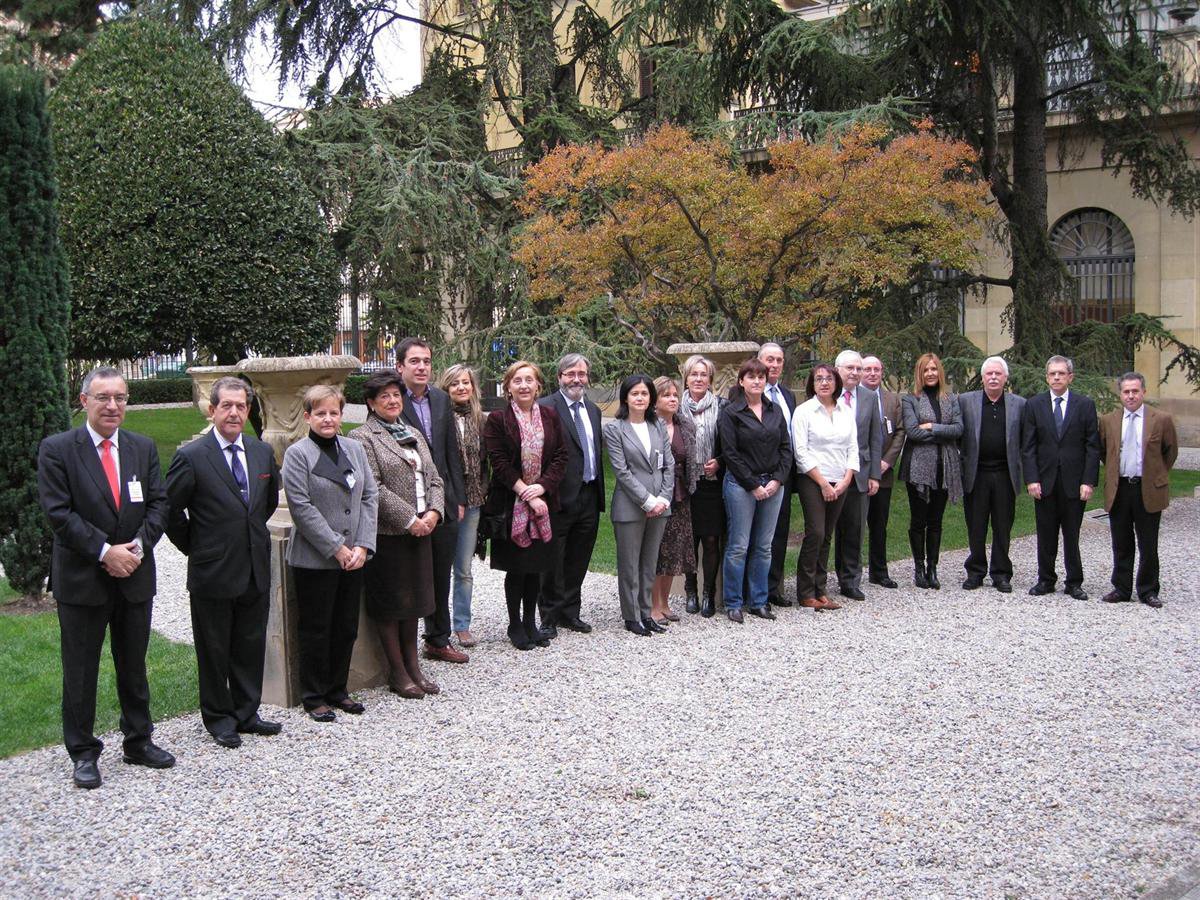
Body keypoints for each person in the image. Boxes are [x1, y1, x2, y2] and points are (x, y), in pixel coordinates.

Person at [36, 367, 175, 789]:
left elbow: (159, 503)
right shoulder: (58, 449)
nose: (113, 406)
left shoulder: (141, 447)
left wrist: (138, 548)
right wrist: (104, 551)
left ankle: (138, 740)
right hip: (83, 580)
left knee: (133, 664)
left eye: (120, 397)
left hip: (134, 575)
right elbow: (59, 513)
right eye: (103, 397)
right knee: (81, 670)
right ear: (84, 401)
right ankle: (83, 751)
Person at [165, 376, 282, 749]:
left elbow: (265, 504)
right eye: (227, 405)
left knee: (250, 642)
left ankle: (247, 712)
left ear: (248, 411)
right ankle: (219, 718)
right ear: (212, 409)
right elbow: (169, 511)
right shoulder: (192, 456)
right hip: (212, 570)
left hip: (254, 566)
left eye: (241, 406)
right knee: (214, 649)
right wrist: (196, 547)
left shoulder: (261, 452)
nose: (234, 412)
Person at [281, 386, 378, 721]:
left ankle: (338, 689)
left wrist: (362, 545)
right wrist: (337, 548)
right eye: (320, 413)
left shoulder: (354, 449)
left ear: (341, 415)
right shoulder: (298, 454)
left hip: (355, 557)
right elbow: (301, 507)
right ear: (307, 417)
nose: (328, 419)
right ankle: (314, 695)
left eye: (333, 413)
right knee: (316, 628)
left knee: (346, 627)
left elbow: (369, 497)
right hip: (316, 558)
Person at [348, 373, 445, 699]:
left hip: (422, 529)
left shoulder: (413, 433)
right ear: (371, 403)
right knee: (392, 603)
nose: (392, 401)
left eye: (395, 395)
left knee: (415, 601)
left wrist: (434, 512)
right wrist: (409, 519)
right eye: (384, 396)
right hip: (388, 533)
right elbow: (373, 486)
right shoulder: (362, 437)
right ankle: (398, 672)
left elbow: (434, 478)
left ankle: (414, 666)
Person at [483, 361, 568, 650]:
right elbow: (499, 463)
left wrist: (542, 487)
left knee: (536, 566)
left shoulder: (550, 416)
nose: (523, 385)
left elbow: (561, 456)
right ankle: (514, 624)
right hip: (512, 504)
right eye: (517, 380)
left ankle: (531, 622)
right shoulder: (498, 419)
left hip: (544, 504)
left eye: (529, 380)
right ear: (508, 387)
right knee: (517, 568)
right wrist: (527, 493)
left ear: (538, 386)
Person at [396, 338, 468, 664]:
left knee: (440, 574)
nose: (422, 367)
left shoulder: (440, 399)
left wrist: (457, 498)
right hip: (407, 502)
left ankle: (438, 639)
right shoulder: (392, 399)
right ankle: (402, 648)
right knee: (409, 577)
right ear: (400, 366)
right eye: (415, 361)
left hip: (444, 502)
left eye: (426, 361)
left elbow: (451, 450)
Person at [1021, 355, 1100, 600]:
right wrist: (1031, 479)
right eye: (1052, 373)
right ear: (1047, 377)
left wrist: (1088, 481)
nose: (1056, 377)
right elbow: (1028, 446)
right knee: (1046, 534)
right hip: (1044, 482)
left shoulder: (1085, 405)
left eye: (1061, 373)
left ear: (1070, 377)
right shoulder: (1034, 405)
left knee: (1072, 535)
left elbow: (1092, 446)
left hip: (1074, 483)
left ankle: (1074, 582)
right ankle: (1046, 580)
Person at [717, 358, 790, 623]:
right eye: (751, 377)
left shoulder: (775, 410)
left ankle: (759, 601)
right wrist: (753, 485)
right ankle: (733, 602)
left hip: (772, 485)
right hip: (741, 486)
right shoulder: (731, 413)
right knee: (739, 546)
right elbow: (730, 453)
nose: (757, 381)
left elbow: (786, 448)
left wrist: (777, 480)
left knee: (763, 547)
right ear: (741, 381)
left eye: (761, 377)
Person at [1098, 372, 1178, 608]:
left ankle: (1148, 590)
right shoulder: (1108, 421)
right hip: (1120, 488)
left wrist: (1156, 474)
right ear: (1120, 394)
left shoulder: (1161, 419)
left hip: (1148, 488)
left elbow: (1170, 452)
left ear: (1143, 392)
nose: (1131, 395)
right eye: (1126, 391)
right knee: (1121, 542)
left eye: (1135, 391)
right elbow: (1104, 452)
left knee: (1148, 544)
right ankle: (1121, 588)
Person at [538, 353, 604, 637]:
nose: (577, 379)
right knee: (553, 560)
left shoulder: (593, 410)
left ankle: (570, 612)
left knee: (579, 557)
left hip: (589, 494)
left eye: (581, 374)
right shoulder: (545, 408)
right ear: (559, 377)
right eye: (570, 374)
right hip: (558, 497)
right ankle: (549, 616)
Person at [605, 374, 674, 635]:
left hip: (660, 506)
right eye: (635, 393)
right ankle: (632, 616)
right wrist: (647, 501)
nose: (640, 398)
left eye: (644, 393)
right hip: (630, 507)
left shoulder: (658, 425)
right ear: (625, 397)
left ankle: (647, 613)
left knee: (649, 563)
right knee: (630, 564)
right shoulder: (614, 429)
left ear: (650, 398)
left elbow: (669, 464)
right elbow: (621, 471)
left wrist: (663, 498)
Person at [791, 363, 858, 611]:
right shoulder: (804, 412)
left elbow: (853, 448)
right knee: (816, 533)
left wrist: (846, 479)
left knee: (828, 535)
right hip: (812, 479)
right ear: (812, 384)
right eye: (819, 379)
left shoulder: (845, 411)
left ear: (836, 382)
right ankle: (805, 591)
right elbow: (801, 452)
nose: (824, 383)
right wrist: (823, 484)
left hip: (840, 480)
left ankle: (821, 589)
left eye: (829, 378)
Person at [959, 357, 1025, 593]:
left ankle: (1001, 573)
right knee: (976, 526)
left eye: (998, 374)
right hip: (976, 474)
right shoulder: (966, 401)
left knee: (1003, 526)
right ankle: (975, 571)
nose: (994, 377)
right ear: (982, 377)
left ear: (1005, 378)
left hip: (1005, 475)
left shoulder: (1019, 404)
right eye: (989, 374)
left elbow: (1025, 440)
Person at [899, 353, 963, 589]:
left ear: (940, 372)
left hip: (944, 468)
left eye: (934, 369)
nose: (930, 373)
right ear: (920, 373)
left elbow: (958, 429)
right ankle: (919, 569)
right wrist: (943, 432)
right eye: (926, 369)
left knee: (936, 520)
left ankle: (933, 568)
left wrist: (931, 427)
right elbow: (913, 432)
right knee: (919, 520)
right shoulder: (910, 400)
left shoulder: (951, 398)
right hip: (918, 468)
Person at [441, 364, 489, 648]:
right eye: (454, 383)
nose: (461, 387)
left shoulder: (481, 420)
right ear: (446, 388)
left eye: (465, 382)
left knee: (463, 568)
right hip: (446, 502)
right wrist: (452, 498)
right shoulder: (440, 418)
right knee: (439, 568)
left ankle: (462, 624)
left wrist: (480, 493)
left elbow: (486, 464)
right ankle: (437, 626)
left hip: (473, 503)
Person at [832, 350, 882, 601]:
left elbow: (875, 437)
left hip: (860, 474)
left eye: (858, 368)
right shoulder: (827, 394)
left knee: (854, 529)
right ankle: (821, 580)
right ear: (837, 370)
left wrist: (874, 475)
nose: (854, 373)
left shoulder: (870, 397)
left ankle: (850, 580)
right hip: (831, 472)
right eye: (849, 368)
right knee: (827, 529)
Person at [680, 355, 726, 618]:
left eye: (703, 374)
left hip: (711, 484)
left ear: (710, 379)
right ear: (686, 377)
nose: (698, 379)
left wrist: (719, 461)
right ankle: (691, 591)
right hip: (684, 484)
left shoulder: (722, 407)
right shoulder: (675, 407)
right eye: (694, 374)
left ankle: (709, 592)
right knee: (689, 539)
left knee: (710, 539)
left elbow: (731, 444)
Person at [651, 376, 699, 625]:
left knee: (673, 551)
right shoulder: (648, 426)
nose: (672, 399)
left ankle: (665, 602)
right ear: (655, 399)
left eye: (675, 395)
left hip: (681, 494)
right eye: (666, 395)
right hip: (657, 495)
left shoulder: (685, 425)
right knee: (656, 551)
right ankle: (652, 605)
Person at [757, 343, 798, 608]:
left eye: (778, 360)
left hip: (784, 474)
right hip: (756, 474)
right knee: (756, 535)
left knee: (779, 532)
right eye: (769, 359)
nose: (774, 365)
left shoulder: (787, 395)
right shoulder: (745, 393)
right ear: (759, 361)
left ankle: (773, 588)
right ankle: (754, 591)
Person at [861, 355, 905, 589]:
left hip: (883, 472)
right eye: (867, 369)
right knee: (853, 526)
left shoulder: (892, 399)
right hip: (858, 472)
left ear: (881, 372)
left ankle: (879, 572)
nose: (872, 373)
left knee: (879, 525)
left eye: (876, 369)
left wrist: (887, 462)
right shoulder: (852, 398)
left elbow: (900, 432)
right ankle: (850, 574)